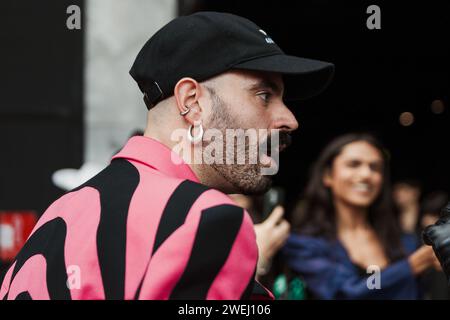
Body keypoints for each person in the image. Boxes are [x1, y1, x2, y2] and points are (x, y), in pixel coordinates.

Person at [0, 12, 334, 300]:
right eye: (263, 95)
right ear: (191, 101)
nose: (289, 119)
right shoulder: (204, 218)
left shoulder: (62, 211)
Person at [283, 133, 440, 299]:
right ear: (328, 176)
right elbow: (344, 292)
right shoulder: (304, 244)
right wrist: (411, 265)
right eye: (353, 164)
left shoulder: (403, 240)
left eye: (375, 167)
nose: (366, 174)